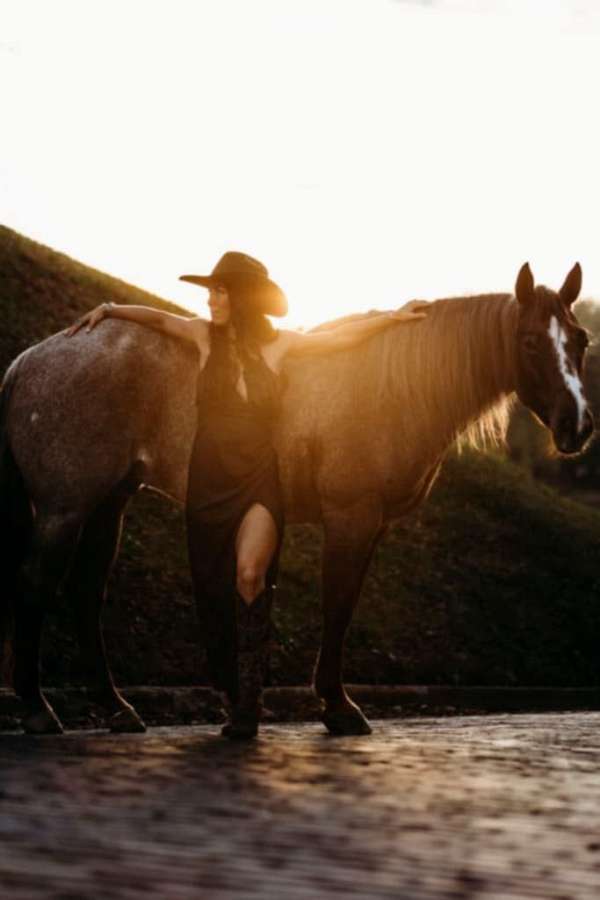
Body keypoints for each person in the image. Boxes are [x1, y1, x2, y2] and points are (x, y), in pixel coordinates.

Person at [66, 252, 427, 738]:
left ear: (241, 298)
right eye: (210, 292)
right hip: (209, 480)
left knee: (251, 574)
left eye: (219, 291)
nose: (210, 300)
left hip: (259, 476)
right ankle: (232, 690)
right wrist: (109, 308)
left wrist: (389, 319)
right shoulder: (199, 334)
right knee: (216, 590)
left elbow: (335, 339)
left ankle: (248, 706)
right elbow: (155, 318)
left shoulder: (280, 346)